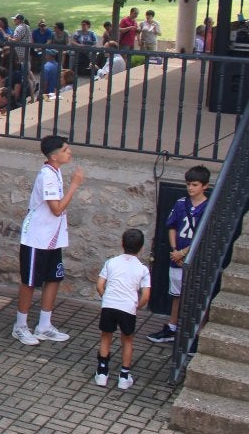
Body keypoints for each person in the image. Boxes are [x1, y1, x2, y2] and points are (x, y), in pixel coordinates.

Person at [14, 135, 84, 346]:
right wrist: (74, 185)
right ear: (54, 156)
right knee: (30, 282)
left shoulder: (56, 171)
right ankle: (20, 326)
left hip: (52, 239)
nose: (69, 152)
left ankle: (44, 325)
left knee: (53, 278)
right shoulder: (47, 176)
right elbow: (56, 209)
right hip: (37, 238)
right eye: (65, 150)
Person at [149, 165, 211, 345]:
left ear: (204, 186)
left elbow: (203, 235)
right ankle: (172, 327)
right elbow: (172, 226)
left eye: (195, 184)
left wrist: (184, 252)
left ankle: (197, 334)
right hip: (178, 256)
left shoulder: (207, 208)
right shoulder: (180, 203)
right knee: (176, 294)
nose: (191, 188)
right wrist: (175, 250)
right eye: (188, 184)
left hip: (194, 257)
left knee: (198, 295)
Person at [96, 229, 151, 391]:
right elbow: (146, 296)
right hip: (128, 308)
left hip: (109, 305)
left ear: (122, 244)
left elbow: (100, 285)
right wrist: (136, 306)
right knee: (127, 340)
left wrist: (106, 298)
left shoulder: (111, 262)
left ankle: (102, 373)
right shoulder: (143, 269)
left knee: (106, 336)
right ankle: (124, 376)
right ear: (141, 248)